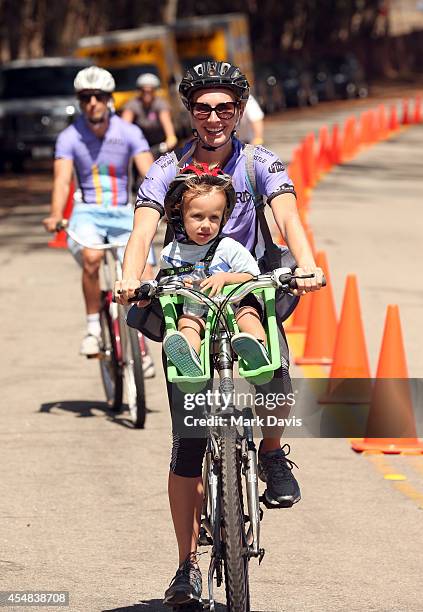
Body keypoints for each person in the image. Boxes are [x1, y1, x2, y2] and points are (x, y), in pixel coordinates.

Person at [115, 61, 323, 608]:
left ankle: (273, 454)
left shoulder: (259, 162)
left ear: (238, 111)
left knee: (275, 371)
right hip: (188, 296)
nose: (213, 118)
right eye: (203, 108)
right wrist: (129, 277)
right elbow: (142, 229)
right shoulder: (167, 167)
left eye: (225, 108)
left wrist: (306, 263)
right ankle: (185, 565)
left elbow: (288, 216)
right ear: (189, 110)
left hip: (249, 285)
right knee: (188, 445)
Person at [43, 66, 156, 367]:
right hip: (88, 212)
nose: (92, 102)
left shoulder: (129, 132)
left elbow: (151, 174)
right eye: (85, 98)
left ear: (109, 99)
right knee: (92, 258)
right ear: (80, 101)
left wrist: (168, 205)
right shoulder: (69, 137)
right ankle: (93, 327)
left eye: (98, 96)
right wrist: (55, 213)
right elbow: (62, 180)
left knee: (144, 274)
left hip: (122, 210)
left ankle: (141, 340)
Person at [160, 165, 271, 377]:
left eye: (214, 218)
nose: (206, 225)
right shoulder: (170, 254)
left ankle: (257, 349)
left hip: (235, 302)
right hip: (198, 308)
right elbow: (165, 284)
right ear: (179, 215)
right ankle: (189, 358)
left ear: (223, 218)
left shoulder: (228, 246)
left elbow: (252, 275)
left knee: (248, 316)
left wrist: (226, 277)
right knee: (187, 323)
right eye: (197, 216)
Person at [122, 73, 178, 154]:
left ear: (155, 91)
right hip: (140, 144)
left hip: (160, 144)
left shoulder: (161, 104)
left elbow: (169, 132)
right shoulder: (132, 105)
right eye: (144, 91)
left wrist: (169, 141)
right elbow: (124, 127)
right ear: (139, 91)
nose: (147, 94)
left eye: (150, 91)